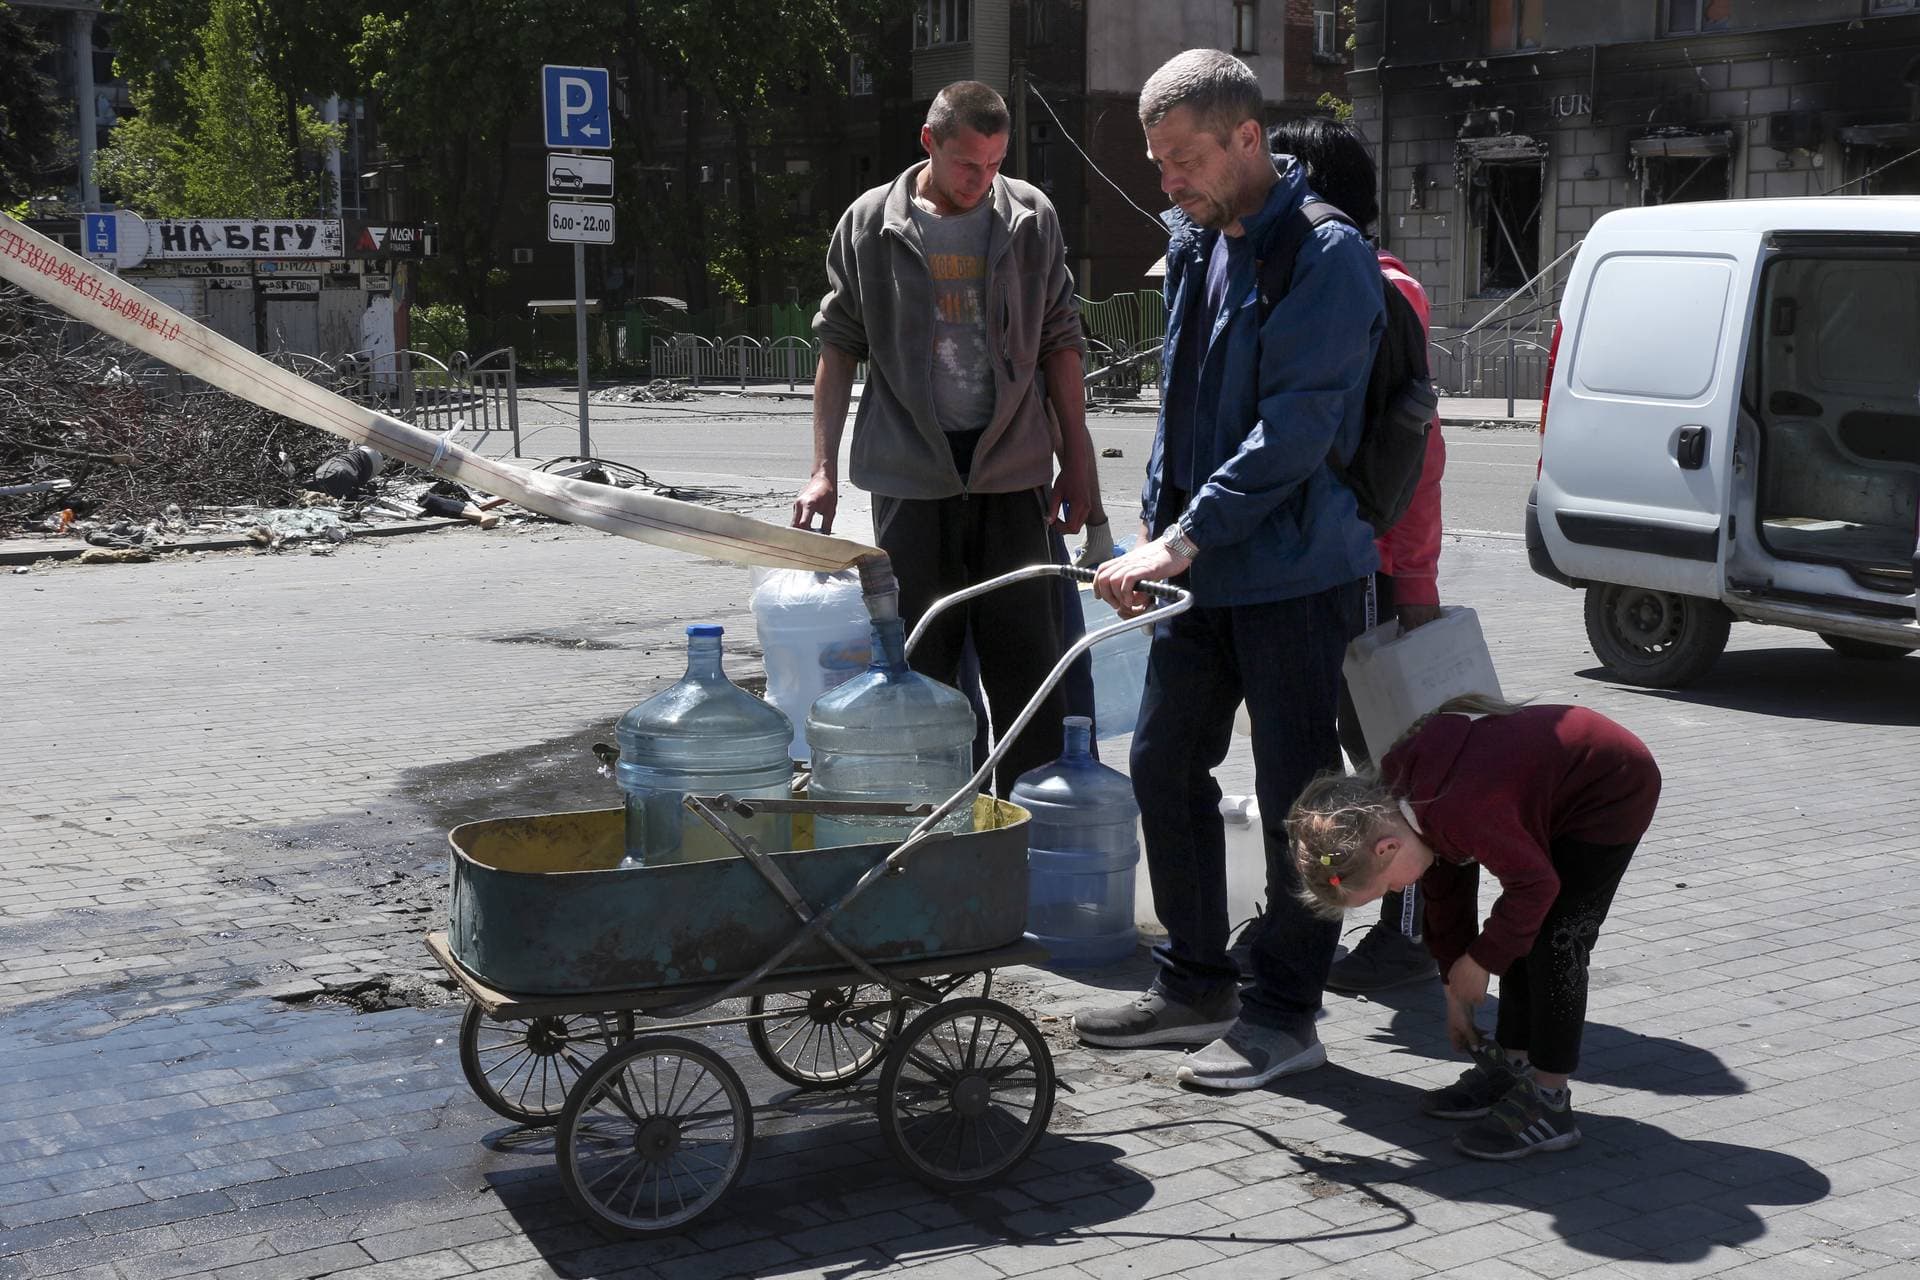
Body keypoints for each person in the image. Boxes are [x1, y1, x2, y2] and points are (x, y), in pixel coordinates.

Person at [1072, 50, 1385, 1090]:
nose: (1167, 181)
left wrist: (1183, 534)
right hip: (1202, 572)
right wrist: (1155, 532)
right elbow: (1182, 412)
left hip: (1298, 576)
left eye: (1182, 159)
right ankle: (1195, 980)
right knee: (1163, 761)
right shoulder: (1199, 240)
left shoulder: (1325, 253)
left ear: (1248, 137)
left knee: (1301, 798)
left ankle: (1287, 1012)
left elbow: (1295, 429)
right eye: (1158, 162)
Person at [793, 81, 1097, 788]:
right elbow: (837, 350)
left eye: (996, 164)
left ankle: (1026, 835)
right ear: (929, 142)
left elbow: (1061, 343)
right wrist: (822, 470)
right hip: (910, 482)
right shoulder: (870, 223)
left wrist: (1077, 464)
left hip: (1012, 478)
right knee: (924, 675)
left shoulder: (1030, 216)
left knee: (1029, 676)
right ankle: (945, 835)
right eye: (970, 164)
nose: (984, 180)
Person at [1286, 699, 1661, 1159]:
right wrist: (1455, 991)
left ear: (1385, 849)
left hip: (1609, 787)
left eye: (1387, 888)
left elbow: (1534, 885)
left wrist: (1482, 961)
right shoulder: (1408, 814)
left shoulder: (1460, 811)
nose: (1397, 892)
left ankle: (1550, 1102)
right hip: (1551, 785)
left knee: (1555, 941)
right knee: (1520, 933)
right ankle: (1513, 1064)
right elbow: (1447, 902)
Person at [1263, 116, 1449, 995]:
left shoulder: (1381, 287)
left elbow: (1416, 452)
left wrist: (1409, 578)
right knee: (1351, 739)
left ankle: (1410, 928)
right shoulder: (1326, 274)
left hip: (1375, 560)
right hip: (1336, 556)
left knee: (1385, 747)